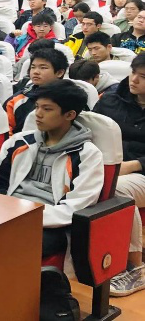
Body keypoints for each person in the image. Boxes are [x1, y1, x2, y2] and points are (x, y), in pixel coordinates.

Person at [0, 80, 103, 262]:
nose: (37, 114)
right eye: (37, 107)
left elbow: (77, 205)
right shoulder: (20, 141)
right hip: (7, 213)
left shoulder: (87, 154)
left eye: (47, 109)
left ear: (69, 114)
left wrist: (24, 218)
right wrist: (0, 211)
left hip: (50, 224)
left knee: (5, 245)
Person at [93, 54, 145, 295]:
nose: (134, 79)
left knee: (115, 189)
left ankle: (135, 266)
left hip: (137, 172)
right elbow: (90, 131)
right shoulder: (111, 99)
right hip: (107, 167)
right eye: (133, 72)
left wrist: (132, 165)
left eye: (142, 76)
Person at [4, 48, 68, 134]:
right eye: (33, 67)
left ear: (59, 73)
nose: (36, 72)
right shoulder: (18, 100)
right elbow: (5, 131)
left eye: (43, 68)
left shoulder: (70, 98)